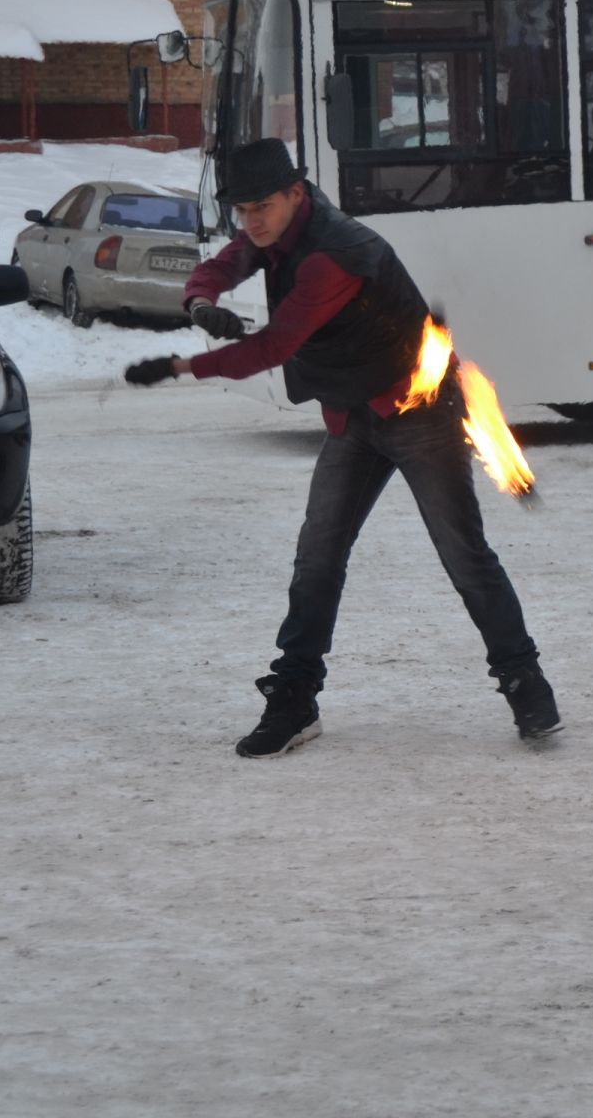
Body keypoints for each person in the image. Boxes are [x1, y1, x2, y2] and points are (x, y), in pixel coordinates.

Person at [121, 138, 559, 756]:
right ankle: (295, 698)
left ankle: (525, 682)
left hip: (418, 412)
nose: (252, 221)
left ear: (296, 193)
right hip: (353, 417)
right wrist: (200, 300)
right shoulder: (275, 230)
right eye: (243, 210)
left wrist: (177, 365)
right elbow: (224, 265)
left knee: (464, 556)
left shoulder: (333, 254)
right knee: (317, 557)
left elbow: (271, 348)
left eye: (262, 207)